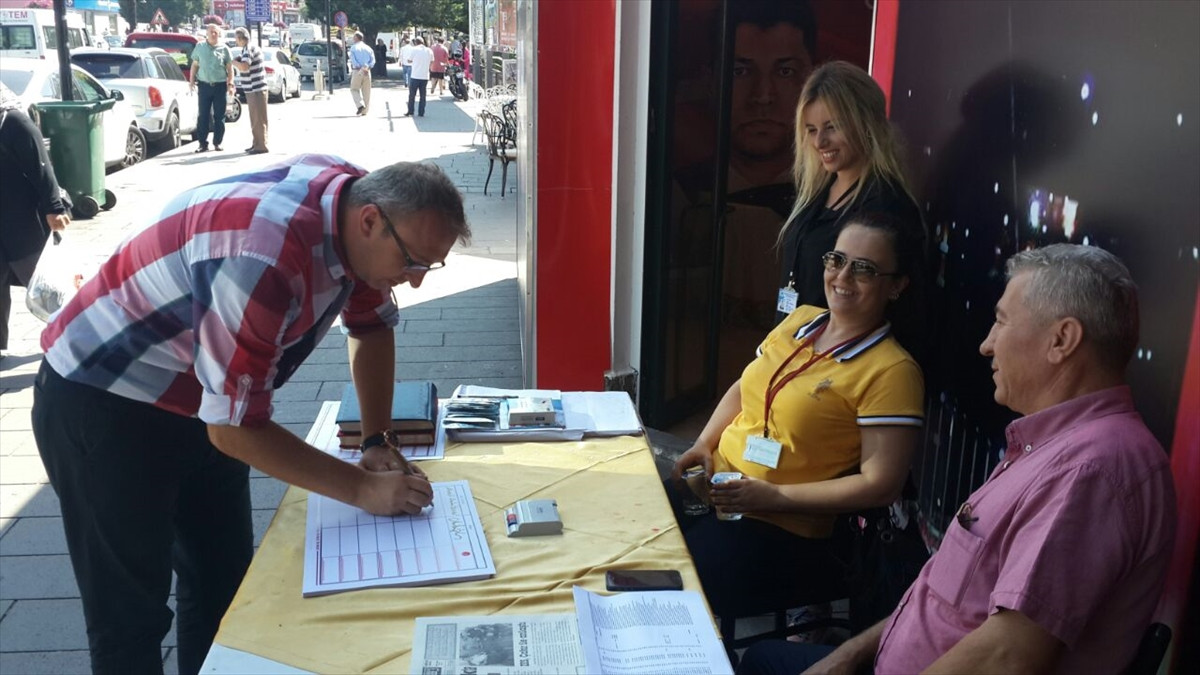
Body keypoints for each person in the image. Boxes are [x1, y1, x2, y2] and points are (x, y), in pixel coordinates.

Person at [31, 155, 471, 675]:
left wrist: (375, 440)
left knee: (222, 590)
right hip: (103, 400)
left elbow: (371, 326)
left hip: (201, 397)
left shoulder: (358, 209)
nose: (414, 282)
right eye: (413, 263)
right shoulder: (263, 254)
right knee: (129, 620)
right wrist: (360, 488)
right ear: (370, 221)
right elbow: (234, 430)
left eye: (428, 266)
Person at [737, 244, 1177, 675]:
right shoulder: (1055, 450)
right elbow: (945, 597)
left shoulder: (1090, 472)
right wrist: (849, 654)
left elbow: (1008, 656)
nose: (987, 345)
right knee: (761, 658)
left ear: (1061, 340)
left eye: (1001, 322)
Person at [666, 211, 926, 622]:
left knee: (674, 588)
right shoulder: (801, 319)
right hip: (719, 487)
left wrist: (774, 497)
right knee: (636, 537)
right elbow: (746, 386)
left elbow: (880, 486)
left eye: (864, 269)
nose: (842, 276)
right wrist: (703, 443)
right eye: (836, 260)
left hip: (783, 529)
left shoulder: (892, 371)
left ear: (896, 285)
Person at [776, 62, 921, 323]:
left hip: (837, 348)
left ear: (865, 124)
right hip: (791, 341)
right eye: (811, 130)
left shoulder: (887, 206)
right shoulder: (817, 191)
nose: (819, 142)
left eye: (832, 127)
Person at [0, 85, 70, 357]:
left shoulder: (13, 121)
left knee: (45, 286)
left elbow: (41, 166)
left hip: (22, 222)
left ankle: (74, 334)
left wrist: (54, 208)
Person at [189, 23, 234, 152]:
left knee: (219, 116)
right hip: (204, 86)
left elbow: (230, 68)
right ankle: (202, 143)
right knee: (203, 115)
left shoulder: (224, 49)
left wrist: (230, 84)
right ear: (207, 34)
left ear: (219, 34)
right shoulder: (200, 47)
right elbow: (195, 65)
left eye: (216, 32)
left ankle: (217, 142)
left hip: (220, 86)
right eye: (211, 32)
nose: (213, 34)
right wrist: (191, 81)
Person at [232, 28, 268, 154]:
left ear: (241, 39)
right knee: (256, 118)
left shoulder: (248, 49)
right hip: (254, 88)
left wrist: (233, 62)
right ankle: (256, 143)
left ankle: (260, 145)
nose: (236, 41)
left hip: (255, 88)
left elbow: (244, 66)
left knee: (258, 118)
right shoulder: (249, 48)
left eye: (236, 39)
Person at [349, 31, 375, 116]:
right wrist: (368, 67)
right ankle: (365, 111)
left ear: (356, 38)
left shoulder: (353, 48)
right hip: (367, 71)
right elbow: (373, 60)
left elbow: (353, 60)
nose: (353, 38)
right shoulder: (368, 48)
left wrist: (359, 67)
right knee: (367, 91)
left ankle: (360, 105)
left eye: (354, 37)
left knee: (354, 89)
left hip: (358, 70)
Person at [405, 37, 433, 117]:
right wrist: (428, 67)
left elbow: (409, 60)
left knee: (412, 95)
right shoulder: (429, 50)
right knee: (422, 95)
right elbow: (432, 61)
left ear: (416, 43)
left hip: (415, 75)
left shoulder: (414, 50)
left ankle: (410, 111)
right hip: (425, 76)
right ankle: (421, 112)